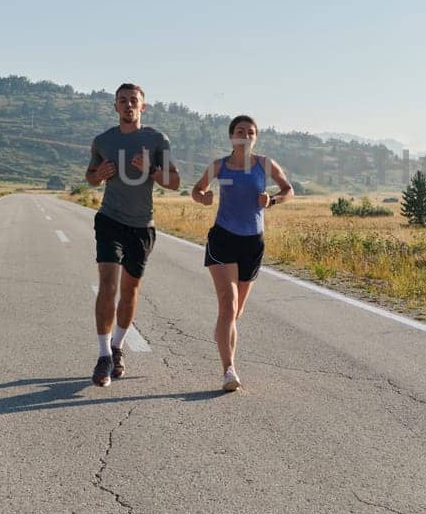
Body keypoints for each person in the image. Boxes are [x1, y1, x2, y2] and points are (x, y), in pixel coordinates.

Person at [85, 82, 180, 387]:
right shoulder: (102, 141)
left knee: (130, 290)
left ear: (143, 106)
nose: (128, 105)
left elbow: (175, 182)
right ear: (115, 106)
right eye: (122, 101)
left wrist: (152, 170)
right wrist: (97, 176)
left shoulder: (156, 140)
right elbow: (90, 177)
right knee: (108, 284)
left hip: (142, 225)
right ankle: (103, 356)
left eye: (133, 101)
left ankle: (118, 347)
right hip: (109, 219)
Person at [190, 115, 292, 391]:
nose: (244, 135)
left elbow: (288, 190)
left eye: (250, 132)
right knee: (228, 304)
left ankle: (222, 332)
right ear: (231, 136)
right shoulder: (219, 166)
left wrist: (272, 200)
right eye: (239, 131)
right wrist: (204, 197)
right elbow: (197, 190)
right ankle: (229, 370)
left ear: (255, 137)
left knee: (236, 312)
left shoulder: (264, 164)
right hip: (223, 238)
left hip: (253, 242)